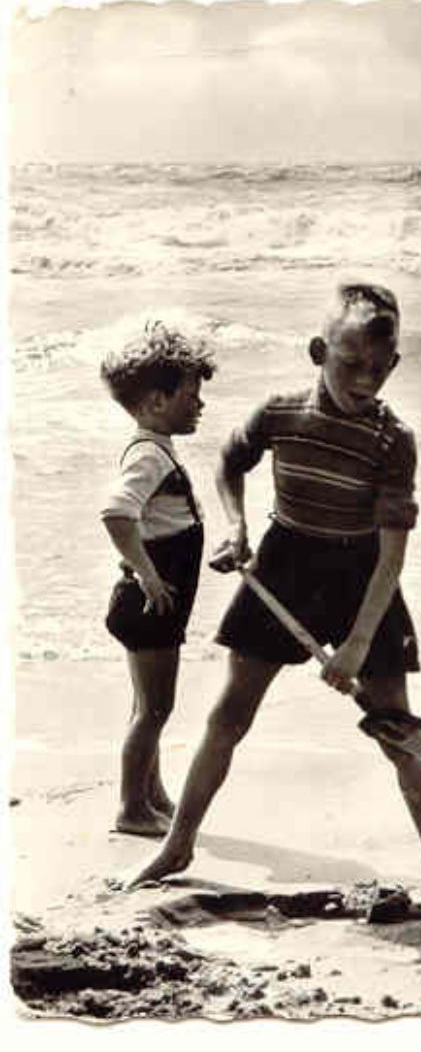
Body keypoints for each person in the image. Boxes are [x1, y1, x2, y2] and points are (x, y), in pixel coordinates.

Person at [121, 282, 421, 902]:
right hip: (282, 565)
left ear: (394, 364)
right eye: (350, 363)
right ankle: (178, 843)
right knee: (229, 716)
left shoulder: (395, 439)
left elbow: (393, 554)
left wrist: (359, 644)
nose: (365, 380)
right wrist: (237, 526)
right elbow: (230, 461)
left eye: (378, 368)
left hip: (364, 578)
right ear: (318, 351)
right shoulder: (279, 413)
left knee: (397, 732)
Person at [99, 322, 215, 837]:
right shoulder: (148, 454)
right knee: (155, 710)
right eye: (191, 395)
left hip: (154, 601)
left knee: (147, 708)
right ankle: (130, 808)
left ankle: (151, 793)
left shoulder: (156, 448)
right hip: (150, 602)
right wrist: (147, 575)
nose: (200, 405)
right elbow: (116, 513)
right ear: (154, 401)